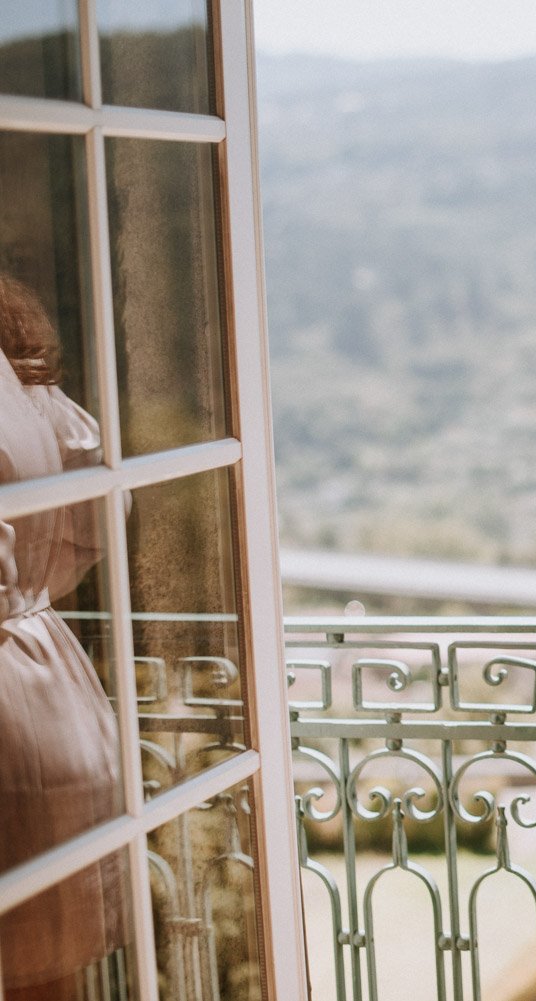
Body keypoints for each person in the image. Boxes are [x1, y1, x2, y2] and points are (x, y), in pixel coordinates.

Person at [0, 274, 125, 999]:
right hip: (56, 696)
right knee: (47, 978)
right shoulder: (27, 388)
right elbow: (104, 512)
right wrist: (32, 591)